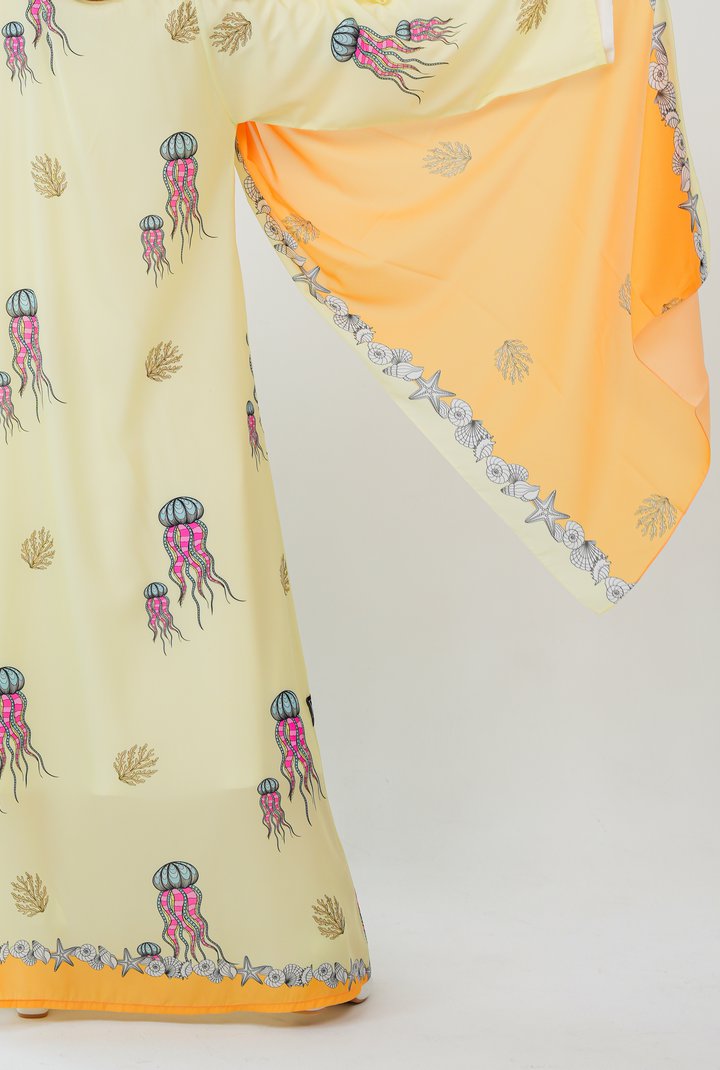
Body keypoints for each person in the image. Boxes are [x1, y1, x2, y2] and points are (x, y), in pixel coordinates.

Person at [0, 0, 710, 1018]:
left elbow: (364, 51)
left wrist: (583, 20)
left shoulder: (195, 14)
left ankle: (211, 939)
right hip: (35, 405)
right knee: (44, 641)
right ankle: (44, 932)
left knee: (196, 651)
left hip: (170, 392)